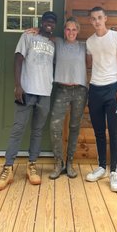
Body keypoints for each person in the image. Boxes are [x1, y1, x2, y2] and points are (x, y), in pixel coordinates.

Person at [0, 11, 57, 191]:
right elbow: (18, 59)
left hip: (45, 92)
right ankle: (8, 168)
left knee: (37, 130)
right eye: (46, 21)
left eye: (52, 22)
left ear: (54, 25)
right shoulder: (28, 37)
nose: (49, 24)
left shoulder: (53, 43)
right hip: (26, 91)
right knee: (18, 129)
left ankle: (32, 165)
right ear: (41, 22)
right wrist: (18, 85)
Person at [85, 7, 117, 192]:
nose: (97, 21)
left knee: (114, 131)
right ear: (91, 21)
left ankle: (114, 173)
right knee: (99, 132)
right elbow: (89, 65)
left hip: (112, 89)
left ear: (105, 19)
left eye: (100, 18)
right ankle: (102, 167)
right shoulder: (89, 42)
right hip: (95, 90)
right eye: (93, 18)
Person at [48, 17, 87, 180]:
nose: (71, 32)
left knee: (74, 127)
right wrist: (35, 30)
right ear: (64, 31)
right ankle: (59, 162)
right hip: (61, 90)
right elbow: (44, 35)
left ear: (78, 31)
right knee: (54, 126)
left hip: (79, 91)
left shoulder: (84, 46)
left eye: (74, 29)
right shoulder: (57, 42)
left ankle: (70, 162)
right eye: (68, 29)